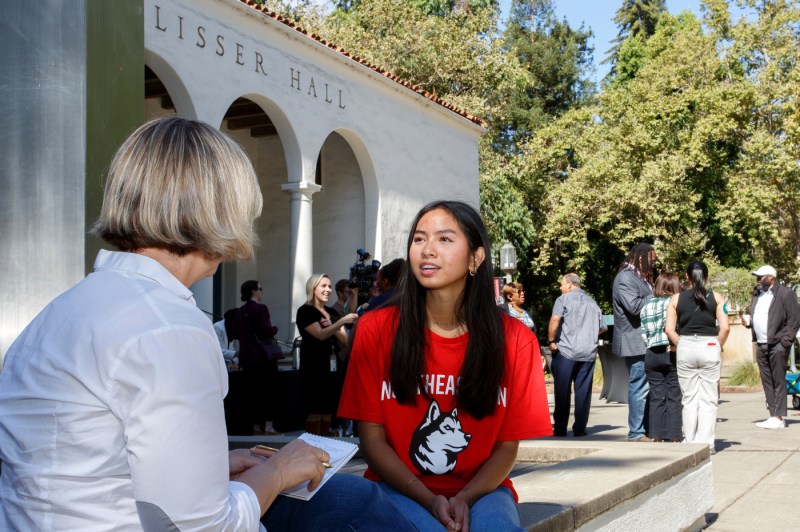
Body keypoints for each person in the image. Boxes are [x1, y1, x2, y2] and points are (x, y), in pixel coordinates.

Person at [0, 117, 415, 531]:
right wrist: (278, 471)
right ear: (220, 210)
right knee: (352, 500)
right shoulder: (167, 327)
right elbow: (206, 527)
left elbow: (91, 471)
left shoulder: (62, 311)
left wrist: (213, 467)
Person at [339, 200, 552, 531]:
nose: (427, 250)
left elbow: (507, 447)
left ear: (475, 258)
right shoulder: (375, 329)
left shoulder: (515, 340)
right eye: (419, 239)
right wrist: (428, 498)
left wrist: (465, 497)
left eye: (444, 239)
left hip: (485, 492)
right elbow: (372, 441)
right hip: (396, 488)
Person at [665, 261, 729, 453]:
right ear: (706, 277)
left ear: (686, 277)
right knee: (709, 399)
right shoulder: (717, 298)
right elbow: (725, 327)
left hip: (685, 346)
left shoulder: (675, 299)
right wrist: (717, 345)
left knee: (689, 397)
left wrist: (681, 343)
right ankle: (707, 443)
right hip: (709, 345)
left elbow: (669, 329)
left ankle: (690, 441)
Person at [296, 273, 358, 436]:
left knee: (328, 409)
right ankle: (313, 443)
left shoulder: (331, 311)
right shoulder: (305, 311)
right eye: (323, 286)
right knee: (315, 409)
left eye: (329, 286)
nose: (328, 290)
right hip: (313, 366)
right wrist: (339, 323)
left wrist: (334, 324)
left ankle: (325, 444)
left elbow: (344, 340)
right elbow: (321, 334)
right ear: (313, 288)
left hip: (332, 365)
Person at [547, 273, 607, 437]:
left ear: (569, 284)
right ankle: (580, 428)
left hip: (566, 350)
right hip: (588, 352)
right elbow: (603, 328)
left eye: (561, 284)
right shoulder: (593, 303)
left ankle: (560, 428)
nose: (560, 288)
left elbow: (554, 320)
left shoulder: (563, 300)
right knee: (583, 392)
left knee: (562, 391)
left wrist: (551, 340)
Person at [743, 265, 800, 429]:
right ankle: (773, 415)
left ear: (771, 278)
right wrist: (750, 323)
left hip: (778, 344)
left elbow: (795, 320)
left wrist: (785, 342)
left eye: (761, 277)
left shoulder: (785, 293)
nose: (758, 280)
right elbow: (760, 317)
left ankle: (779, 417)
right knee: (767, 380)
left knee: (779, 380)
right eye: (757, 277)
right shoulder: (758, 295)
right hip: (761, 344)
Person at [612, 242, 657, 442]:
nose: (653, 264)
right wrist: (659, 296)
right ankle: (636, 433)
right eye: (651, 260)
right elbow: (634, 307)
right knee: (638, 386)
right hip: (634, 340)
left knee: (646, 387)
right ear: (640, 257)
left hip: (645, 339)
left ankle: (645, 430)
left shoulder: (642, 278)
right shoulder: (625, 278)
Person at [640, 273, 683, 442]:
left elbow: (643, 332)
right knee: (674, 394)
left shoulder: (647, 305)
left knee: (656, 395)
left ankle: (656, 434)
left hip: (651, 353)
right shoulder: (675, 303)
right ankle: (674, 435)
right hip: (671, 351)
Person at [236, 280, 281, 436]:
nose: (262, 292)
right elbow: (266, 330)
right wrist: (275, 328)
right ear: (254, 292)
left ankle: (255, 427)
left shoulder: (241, 311)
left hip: (247, 359)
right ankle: (268, 427)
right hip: (264, 358)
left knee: (252, 394)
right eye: (260, 289)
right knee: (268, 392)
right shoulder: (261, 309)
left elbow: (236, 332)